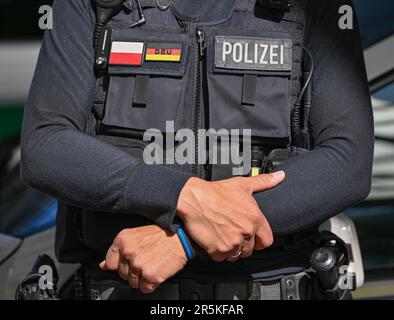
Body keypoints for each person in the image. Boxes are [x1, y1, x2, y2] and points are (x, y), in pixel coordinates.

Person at [20, 0, 374, 300]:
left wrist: (184, 242)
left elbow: (348, 162)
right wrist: (183, 197)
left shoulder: (313, 6)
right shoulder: (91, 5)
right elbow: (45, 144)